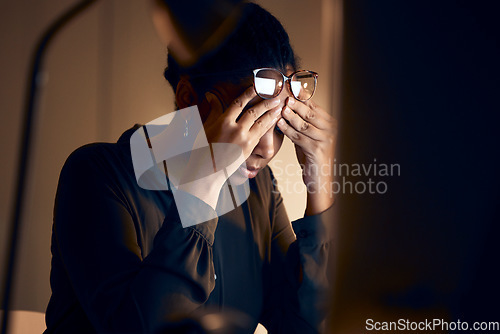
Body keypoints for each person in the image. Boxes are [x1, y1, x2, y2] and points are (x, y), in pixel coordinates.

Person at [44, 3, 337, 333]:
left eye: (280, 124)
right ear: (187, 97)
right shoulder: (96, 174)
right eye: (250, 120)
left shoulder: (258, 189)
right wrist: (202, 187)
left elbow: (304, 323)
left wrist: (319, 184)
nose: (269, 149)